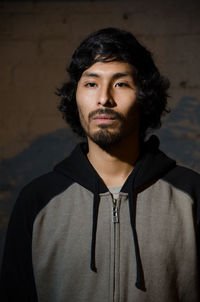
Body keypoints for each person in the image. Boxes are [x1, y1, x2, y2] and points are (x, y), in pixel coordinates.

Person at [0, 27, 200, 302]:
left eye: (120, 83)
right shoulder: (37, 200)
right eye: (91, 83)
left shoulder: (192, 194)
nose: (104, 98)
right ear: (76, 97)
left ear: (145, 97)